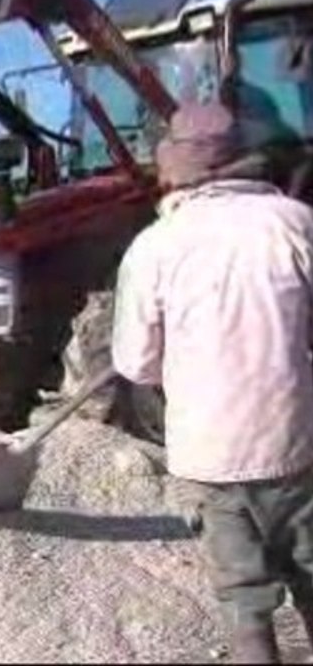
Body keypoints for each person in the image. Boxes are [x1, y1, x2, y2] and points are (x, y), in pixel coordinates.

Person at [113, 102, 313, 664]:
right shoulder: (297, 224)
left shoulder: (153, 247)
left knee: (243, 600)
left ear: (176, 167)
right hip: (296, 445)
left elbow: (136, 365)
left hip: (208, 457)